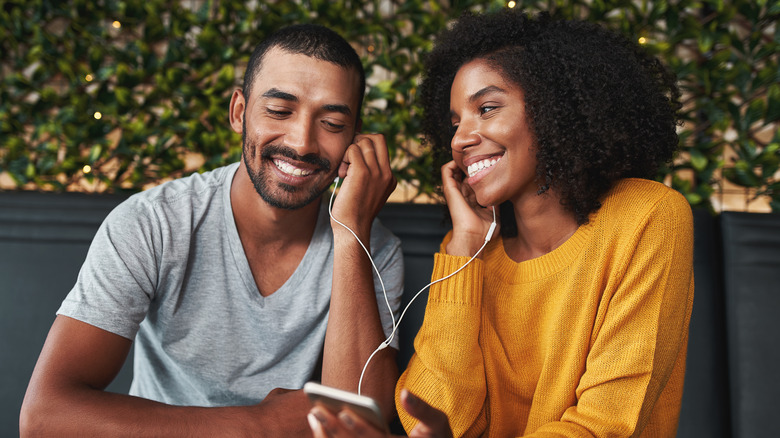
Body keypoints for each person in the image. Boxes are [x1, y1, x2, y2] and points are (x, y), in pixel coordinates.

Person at [308, 9, 694, 438]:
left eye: (487, 109)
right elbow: (429, 419)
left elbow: (605, 425)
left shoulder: (648, 216)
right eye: (455, 123)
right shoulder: (473, 253)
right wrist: (465, 248)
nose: (459, 139)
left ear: (555, 107)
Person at [20, 24, 404, 437]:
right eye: (278, 111)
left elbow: (361, 422)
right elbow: (44, 417)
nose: (302, 142)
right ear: (239, 112)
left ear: (354, 137)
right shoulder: (153, 223)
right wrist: (259, 426)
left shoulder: (373, 247)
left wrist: (351, 232)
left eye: (331, 123)